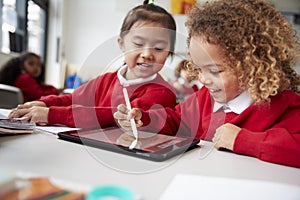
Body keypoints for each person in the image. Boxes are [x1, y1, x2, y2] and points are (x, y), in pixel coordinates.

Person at [114, 0, 300, 168]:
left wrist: (242, 140)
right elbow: (176, 121)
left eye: (215, 71)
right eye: (199, 69)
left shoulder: (283, 105)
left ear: (253, 65)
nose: (203, 79)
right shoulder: (205, 98)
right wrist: (144, 120)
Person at [9, 0, 177, 129]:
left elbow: (114, 115)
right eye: (139, 44)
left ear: (169, 51)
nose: (147, 54)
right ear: (122, 44)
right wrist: (46, 103)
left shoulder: (163, 92)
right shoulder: (106, 80)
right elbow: (74, 98)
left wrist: (51, 114)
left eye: (159, 48)